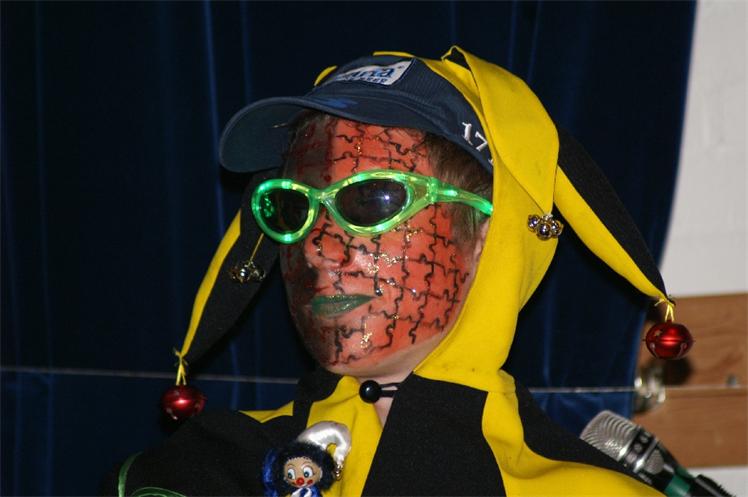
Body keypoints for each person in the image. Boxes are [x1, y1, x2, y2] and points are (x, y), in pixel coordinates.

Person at [104, 47, 670, 496]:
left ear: (488, 234)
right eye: (294, 209)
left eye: (371, 200)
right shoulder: (203, 472)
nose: (318, 249)